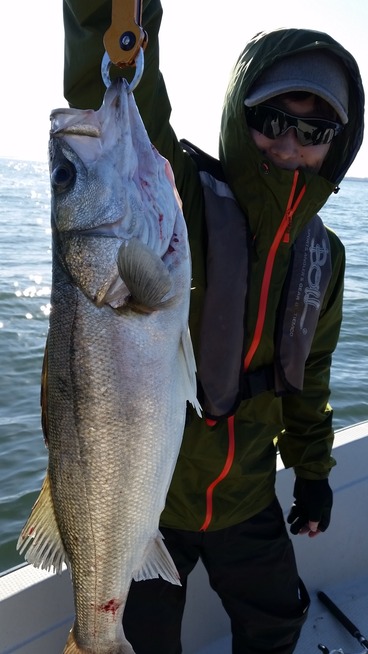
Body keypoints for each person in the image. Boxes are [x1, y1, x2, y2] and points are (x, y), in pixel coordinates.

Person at [62, 3, 365, 653]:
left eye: (314, 132)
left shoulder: (323, 256)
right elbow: (114, 102)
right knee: (139, 638)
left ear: (338, 146)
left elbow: (309, 376)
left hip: (248, 498)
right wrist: (108, 16)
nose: (288, 145)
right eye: (272, 120)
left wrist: (311, 471)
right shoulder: (181, 201)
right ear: (240, 115)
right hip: (153, 499)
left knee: (278, 621)